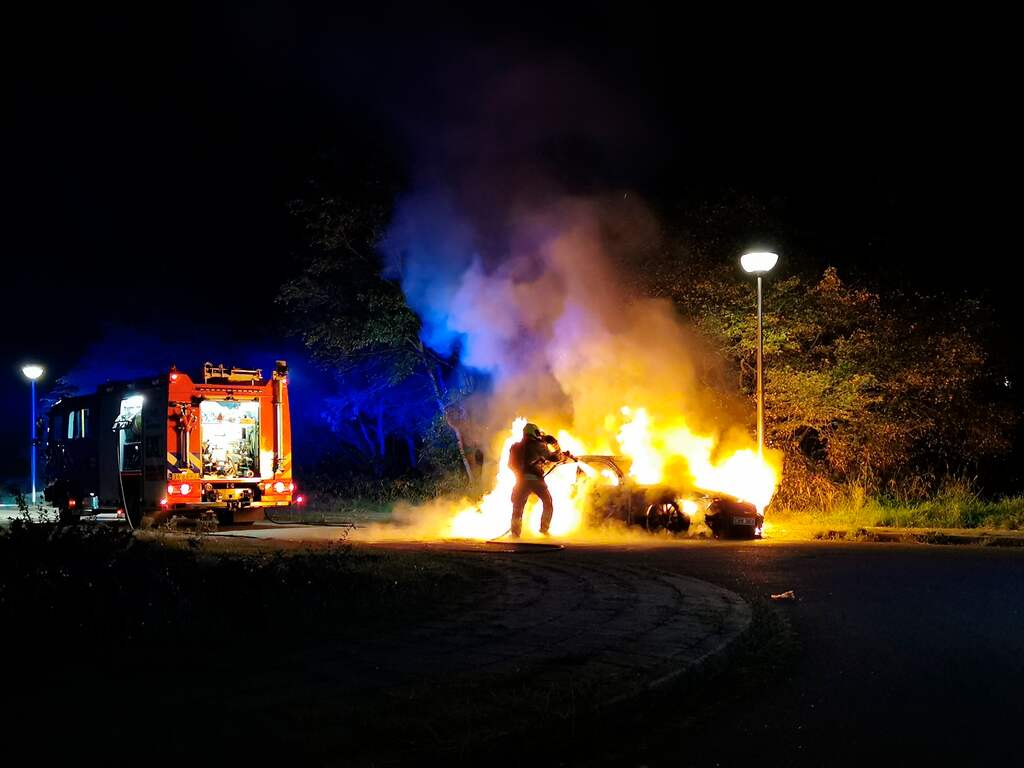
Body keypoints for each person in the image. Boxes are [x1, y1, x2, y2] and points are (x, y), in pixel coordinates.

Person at [508, 422, 572, 537]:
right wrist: (556, 445)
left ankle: (515, 534)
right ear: (534, 433)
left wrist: (519, 476)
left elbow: (510, 465)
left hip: (520, 481)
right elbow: (555, 457)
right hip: (536, 481)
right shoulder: (539, 445)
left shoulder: (515, 447)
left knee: (517, 507)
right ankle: (544, 529)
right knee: (548, 502)